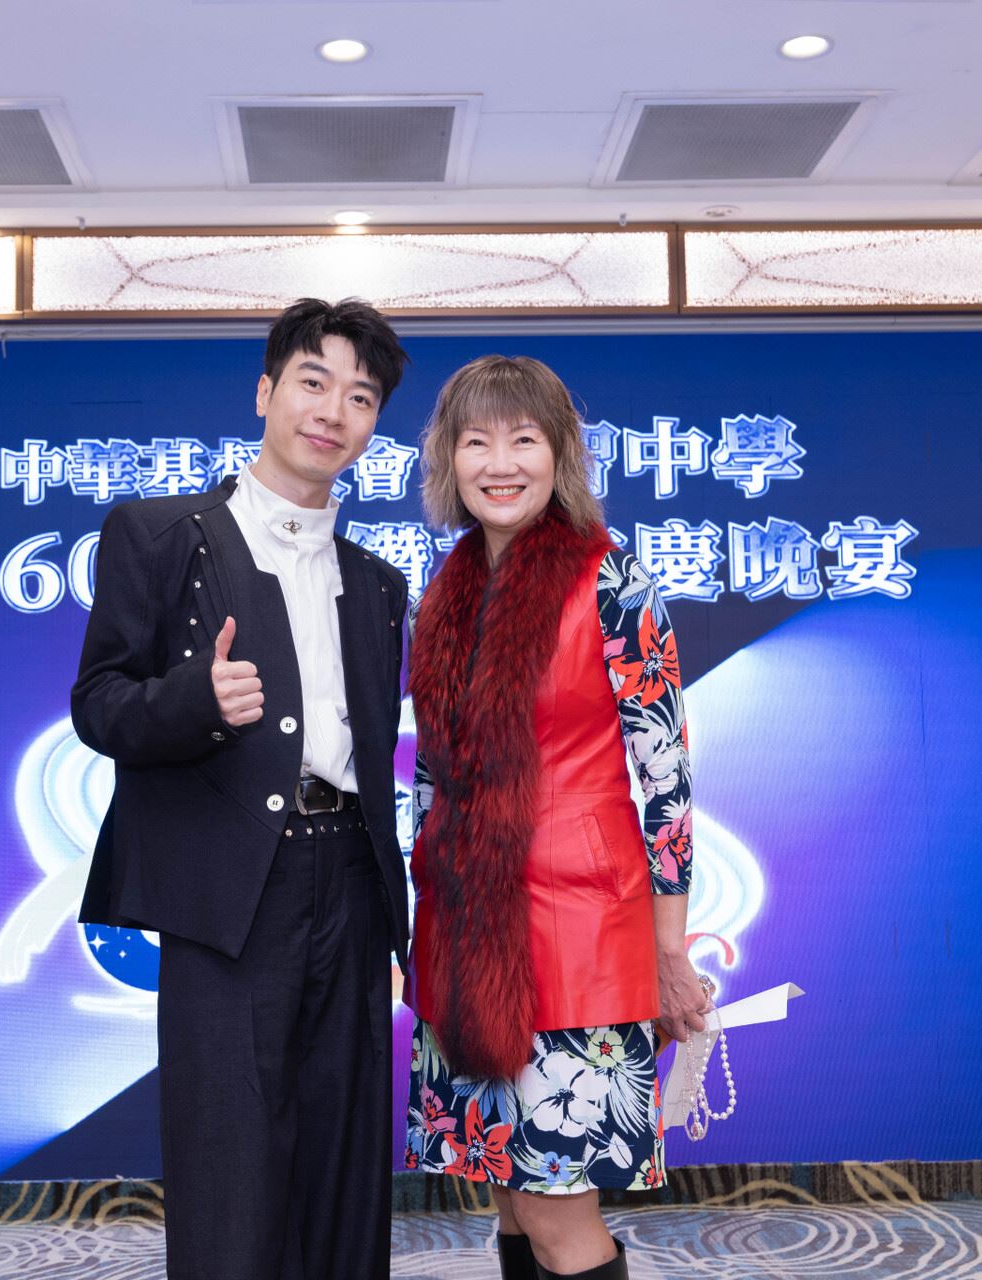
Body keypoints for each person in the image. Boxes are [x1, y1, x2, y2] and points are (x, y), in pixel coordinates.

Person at [70, 298, 410, 1280]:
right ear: (264, 392)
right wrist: (194, 701)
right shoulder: (157, 535)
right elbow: (98, 704)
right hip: (230, 894)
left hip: (351, 883)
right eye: (312, 382)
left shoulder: (377, 584)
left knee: (345, 1162)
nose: (332, 411)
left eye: (360, 396)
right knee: (230, 1162)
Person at [403, 355, 713, 1280]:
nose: (499, 463)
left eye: (523, 440)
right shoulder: (446, 588)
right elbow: (429, 776)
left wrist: (667, 950)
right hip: (464, 934)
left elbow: (666, 780)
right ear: (448, 459)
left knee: (554, 1212)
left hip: (576, 932)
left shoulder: (612, 581)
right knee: (503, 1188)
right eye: (476, 442)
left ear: (561, 455)